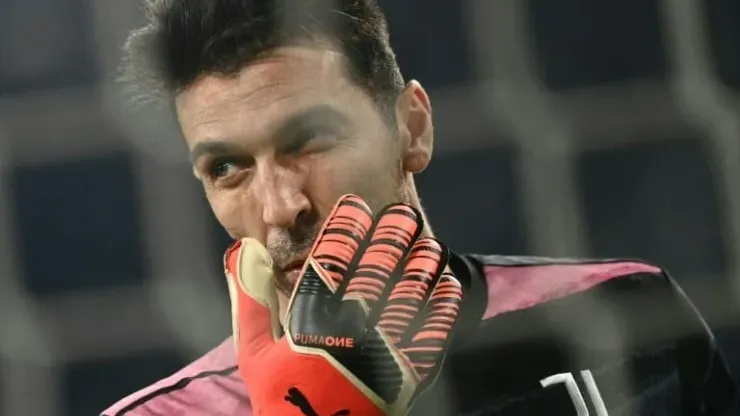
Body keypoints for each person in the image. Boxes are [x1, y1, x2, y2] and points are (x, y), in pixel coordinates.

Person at [102, 0, 740, 414]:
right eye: (226, 168)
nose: (280, 208)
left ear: (412, 128)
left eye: (310, 139)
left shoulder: (626, 314)